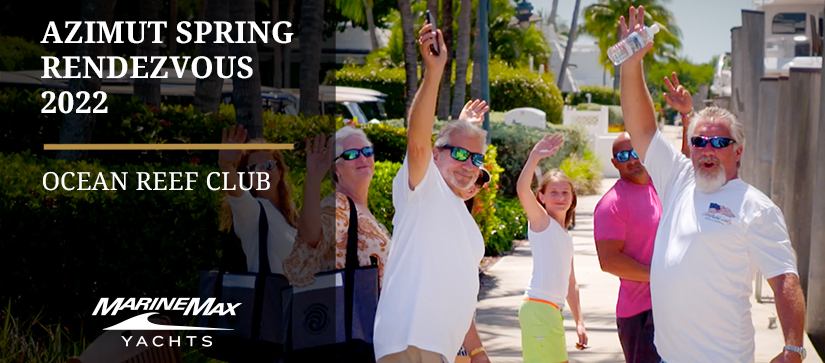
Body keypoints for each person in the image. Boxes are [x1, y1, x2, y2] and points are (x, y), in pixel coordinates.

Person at [619, 6, 807, 363]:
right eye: (700, 141)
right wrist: (632, 61)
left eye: (719, 143)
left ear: (738, 152)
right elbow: (641, 128)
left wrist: (793, 349)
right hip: (666, 357)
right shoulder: (678, 178)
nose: (708, 149)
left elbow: (785, 280)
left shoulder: (756, 206)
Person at [373, 23, 489, 363]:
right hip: (411, 341)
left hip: (439, 347)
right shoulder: (423, 190)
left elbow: (454, 285)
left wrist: (477, 350)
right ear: (436, 154)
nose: (469, 165)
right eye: (458, 154)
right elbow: (419, 138)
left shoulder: (455, 212)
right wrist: (434, 72)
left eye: (476, 158)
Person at [283, 127, 392, 288]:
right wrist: (313, 178)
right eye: (352, 155)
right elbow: (313, 237)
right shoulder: (340, 204)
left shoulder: (362, 210)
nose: (362, 158)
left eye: (367, 151)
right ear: (336, 169)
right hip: (353, 311)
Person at [516, 133, 587, 363]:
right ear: (541, 197)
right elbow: (522, 189)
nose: (560, 197)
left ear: (572, 199)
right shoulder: (541, 222)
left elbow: (571, 284)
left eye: (565, 192)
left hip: (551, 312)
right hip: (539, 308)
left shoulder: (566, 237)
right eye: (553, 192)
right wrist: (534, 157)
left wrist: (579, 322)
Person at [593, 133, 661, 363]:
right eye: (623, 156)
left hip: (670, 306)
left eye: (636, 152)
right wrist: (660, 276)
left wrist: (685, 120)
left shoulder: (657, 187)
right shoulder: (611, 204)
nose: (632, 159)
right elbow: (609, 261)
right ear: (614, 163)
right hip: (640, 316)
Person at [218, 125, 299, 274]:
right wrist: (226, 166)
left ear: (280, 171)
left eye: (268, 166)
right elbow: (237, 194)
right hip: (270, 296)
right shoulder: (251, 211)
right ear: (247, 178)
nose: (262, 173)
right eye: (254, 168)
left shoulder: (291, 216)